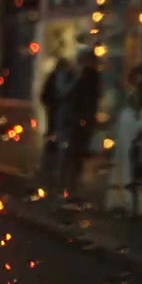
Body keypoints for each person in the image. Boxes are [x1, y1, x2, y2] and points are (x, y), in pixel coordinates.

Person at [57, 48, 101, 201]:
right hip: (74, 120)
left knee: (75, 155)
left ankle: (70, 187)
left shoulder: (90, 76)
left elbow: (91, 99)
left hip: (79, 120)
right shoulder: (77, 75)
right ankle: (66, 186)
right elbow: (65, 93)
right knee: (71, 154)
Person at [39, 57, 78, 187]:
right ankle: (54, 159)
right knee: (56, 131)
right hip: (58, 109)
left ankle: (51, 159)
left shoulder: (56, 76)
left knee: (54, 131)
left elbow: (46, 94)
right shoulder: (67, 76)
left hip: (56, 109)